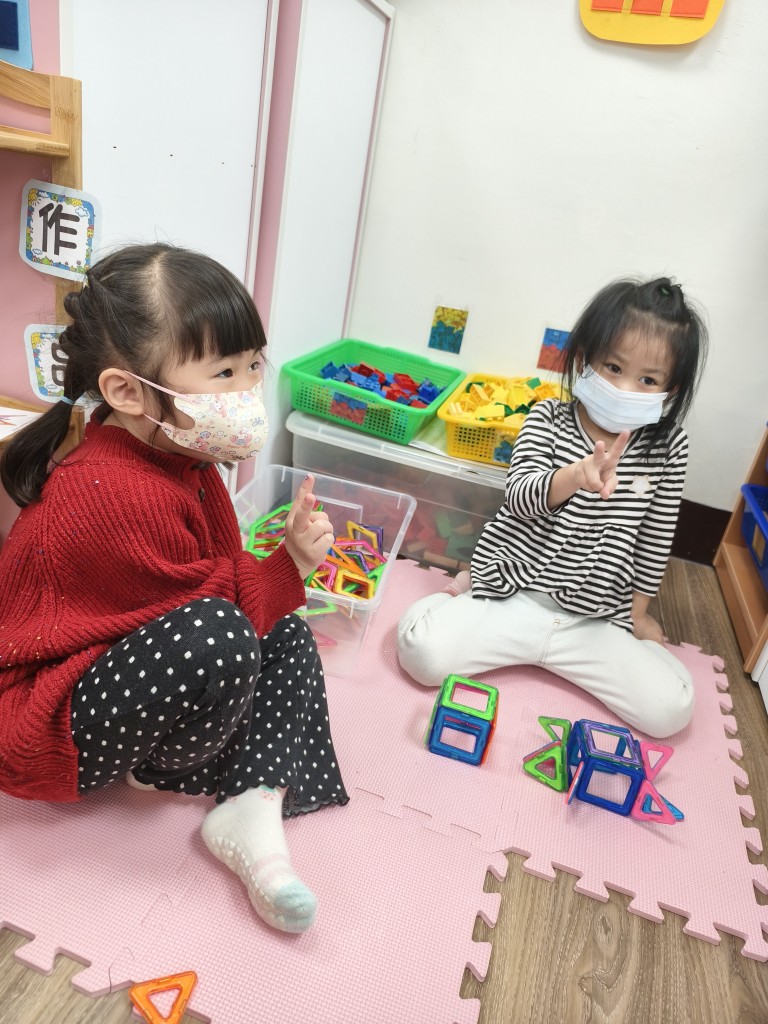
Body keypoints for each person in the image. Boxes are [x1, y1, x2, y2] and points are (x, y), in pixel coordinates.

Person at [0, 242, 349, 934]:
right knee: (221, 636)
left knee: (287, 632)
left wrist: (283, 570)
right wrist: (288, 565)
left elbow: (214, 578)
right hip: (43, 723)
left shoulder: (177, 450)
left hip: (113, 662)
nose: (248, 390)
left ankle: (251, 805)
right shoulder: (109, 490)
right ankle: (164, 772)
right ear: (127, 392)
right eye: (224, 372)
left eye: (253, 365)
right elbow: (206, 607)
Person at [398, 277, 708, 740]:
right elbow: (519, 498)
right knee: (420, 654)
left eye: (648, 380)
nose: (625, 387)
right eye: (613, 367)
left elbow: (655, 537)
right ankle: (459, 590)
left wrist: (639, 612)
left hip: (594, 621)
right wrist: (575, 476)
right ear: (584, 359)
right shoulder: (545, 418)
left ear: (670, 388)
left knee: (671, 711)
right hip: (513, 596)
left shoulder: (668, 447)